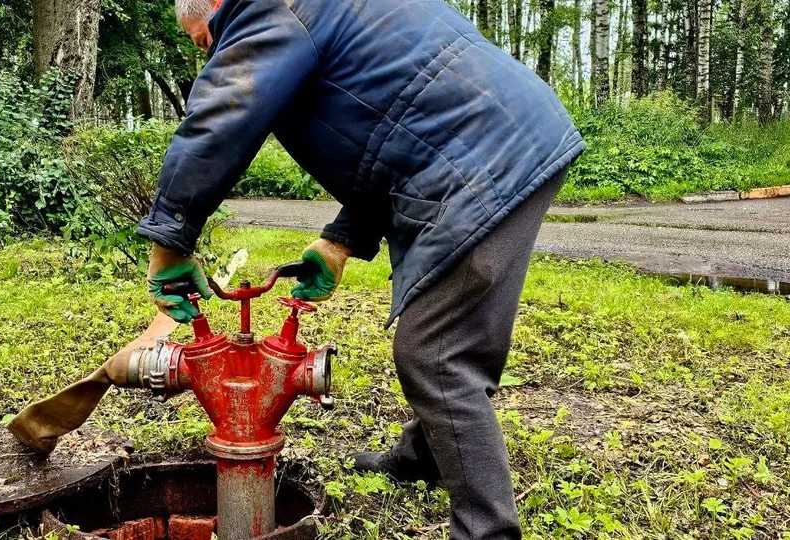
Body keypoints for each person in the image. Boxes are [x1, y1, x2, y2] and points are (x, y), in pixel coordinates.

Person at [139, 0, 584, 537]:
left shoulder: (267, 9)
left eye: (203, 40)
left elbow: (223, 117)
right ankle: (425, 458)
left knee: (437, 356)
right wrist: (340, 241)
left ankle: (488, 529)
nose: (209, 52)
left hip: (479, 154)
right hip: (507, 132)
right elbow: (393, 126)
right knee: (461, 334)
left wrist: (169, 238)